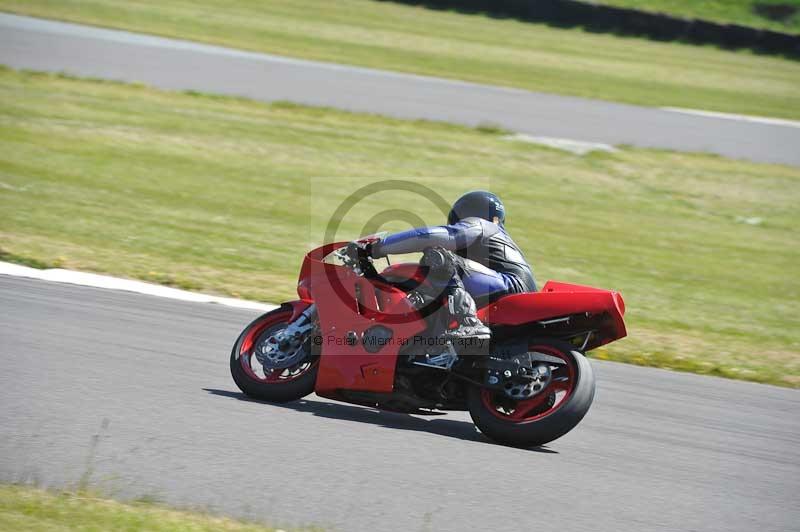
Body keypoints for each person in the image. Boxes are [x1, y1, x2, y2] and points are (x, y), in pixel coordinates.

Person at [367, 190, 537, 341]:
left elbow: (441, 236)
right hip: (513, 288)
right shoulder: (493, 237)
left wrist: (379, 247)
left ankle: (470, 323)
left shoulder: (481, 224)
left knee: (438, 257)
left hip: (511, 286)